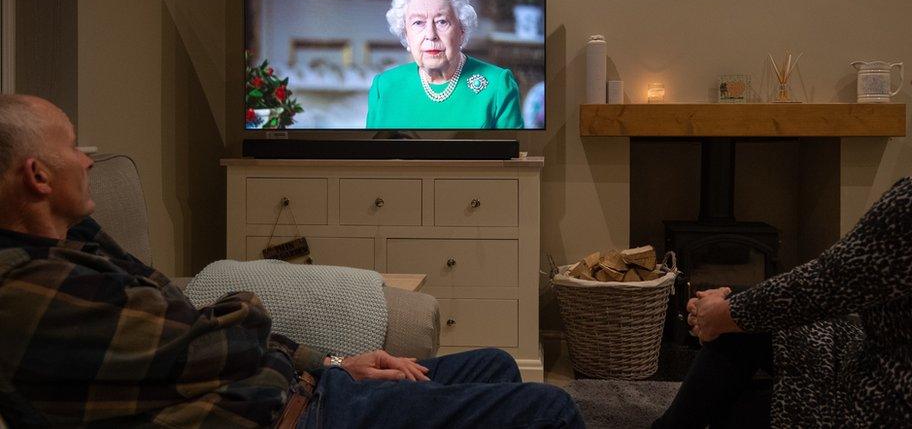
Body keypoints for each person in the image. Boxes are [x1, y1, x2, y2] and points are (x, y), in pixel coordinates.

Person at [0, 95, 581, 428]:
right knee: (549, 409)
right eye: (74, 146)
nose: (89, 160)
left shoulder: (77, 243)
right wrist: (255, 322)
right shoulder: (31, 289)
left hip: (308, 390)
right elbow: (210, 337)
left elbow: (195, 325)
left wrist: (334, 362)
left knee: (496, 365)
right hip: (293, 418)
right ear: (38, 175)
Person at [653, 2, 912, 428]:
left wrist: (724, 311)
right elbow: (827, 289)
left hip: (907, 404)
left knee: (735, 352)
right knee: (749, 331)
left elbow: (824, 284)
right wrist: (737, 309)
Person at [366, 0, 525, 129]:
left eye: (442, 21)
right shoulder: (384, 86)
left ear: (462, 29)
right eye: (418, 23)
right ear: (406, 34)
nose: (430, 34)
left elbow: (512, 153)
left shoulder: (498, 85)